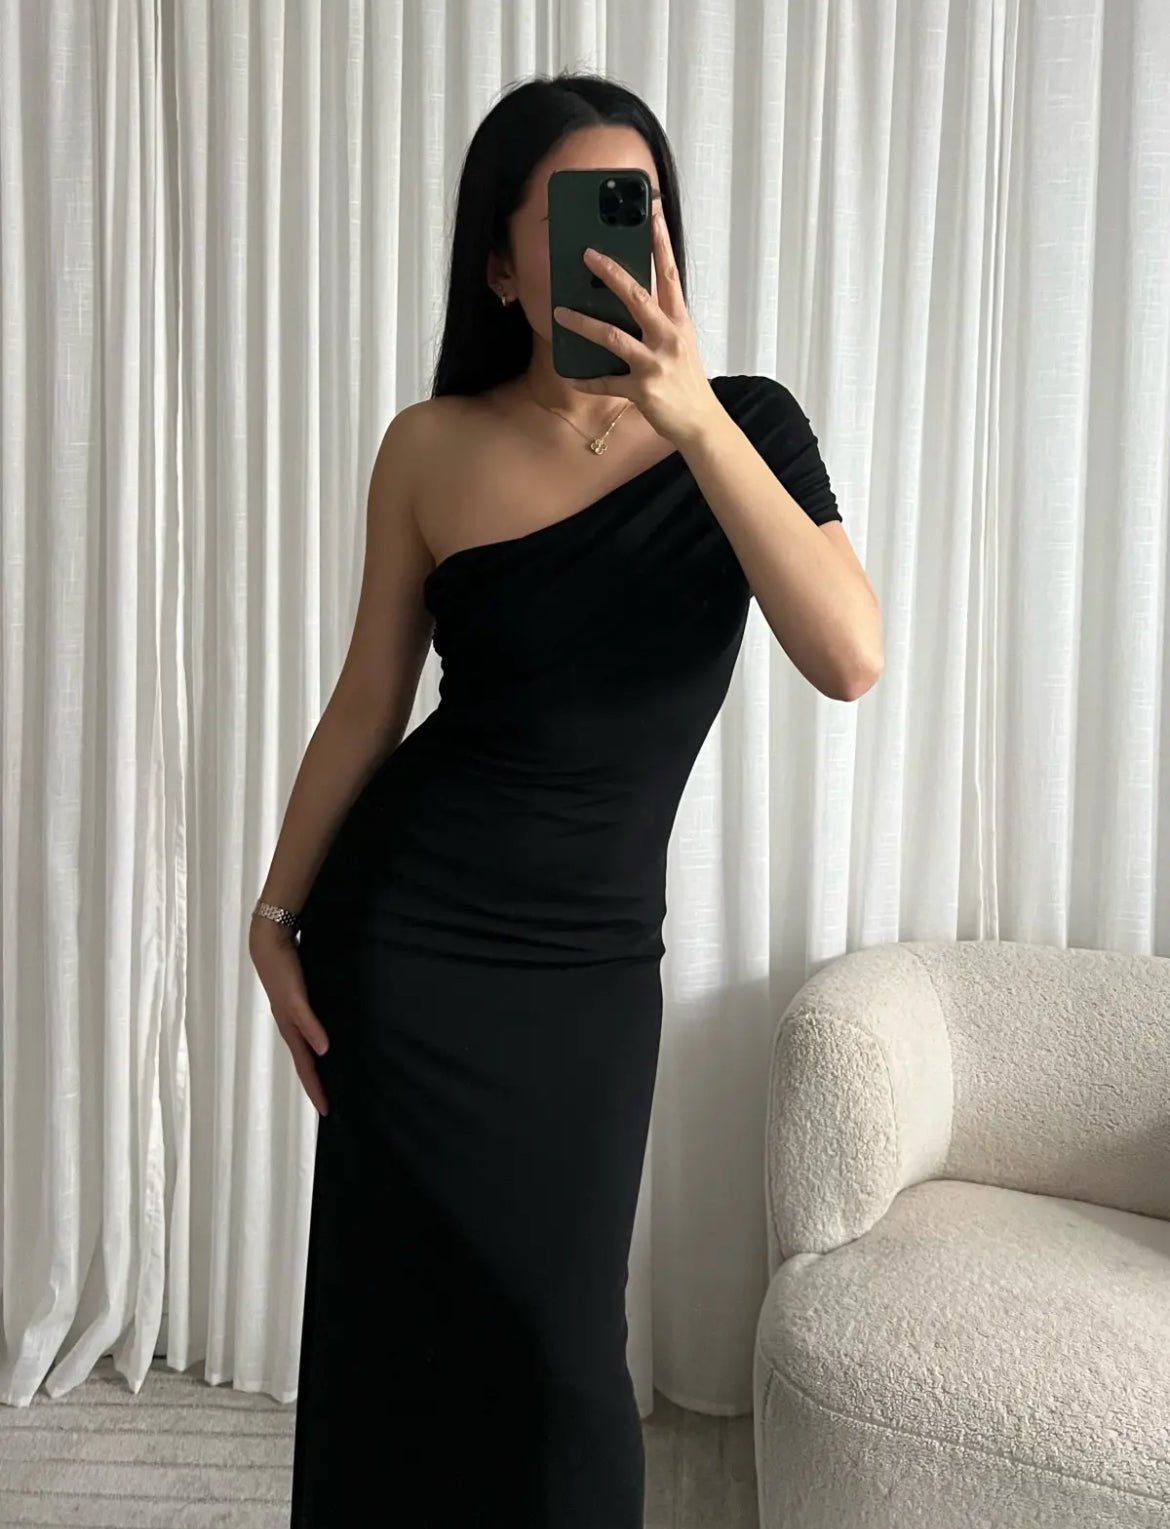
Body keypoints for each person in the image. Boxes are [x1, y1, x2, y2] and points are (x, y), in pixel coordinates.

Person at [249, 69, 882, 1529]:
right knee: (403, 1345)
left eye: (636, 205)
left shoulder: (750, 427)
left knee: (561, 1368)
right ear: (498, 264)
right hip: (409, 947)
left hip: (589, 970)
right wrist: (274, 914)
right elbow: (367, 702)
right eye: (574, 214)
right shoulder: (430, 446)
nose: (615, 240)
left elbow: (848, 655)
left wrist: (689, 416)